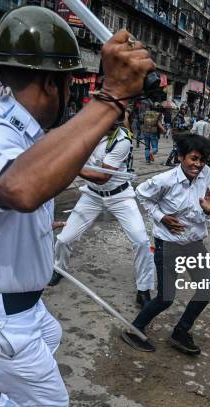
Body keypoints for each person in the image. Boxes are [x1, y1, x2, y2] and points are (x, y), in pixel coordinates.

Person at [0, 6, 154, 405]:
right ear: (53, 85)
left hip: (17, 311)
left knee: (50, 339)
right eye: (71, 86)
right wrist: (111, 98)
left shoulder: (14, 123)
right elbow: (20, 188)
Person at [121, 135, 210, 355]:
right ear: (181, 157)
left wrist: (208, 210)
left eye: (202, 160)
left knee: (206, 289)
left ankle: (180, 332)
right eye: (193, 159)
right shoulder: (165, 180)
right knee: (166, 297)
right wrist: (161, 216)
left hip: (194, 243)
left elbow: (208, 210)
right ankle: (133, 330)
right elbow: (141, 194)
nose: (198, 165)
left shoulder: (206, 175)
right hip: (169, 245)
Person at [49, 120, 155, 307]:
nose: (115, 121)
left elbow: (102, 177)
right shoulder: (85, 131)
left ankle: (144, 289)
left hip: (120, 196)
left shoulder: (121, 140)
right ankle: (59, 268)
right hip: (92, 196)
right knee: (64, 239)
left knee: (141, 241)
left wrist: (69, 166)